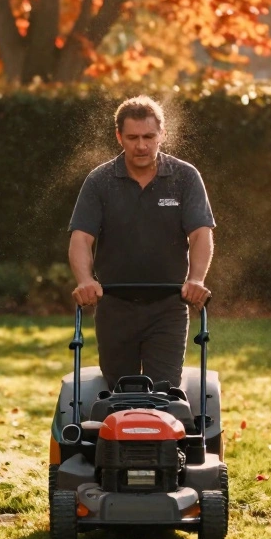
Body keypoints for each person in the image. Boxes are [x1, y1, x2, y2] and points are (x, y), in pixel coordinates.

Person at [67, 95, 215, 390]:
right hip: (115, 307)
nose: (141, 145)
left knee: (163, 392)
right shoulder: (101, 181)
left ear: (162, 135)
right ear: (119, 136)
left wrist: (196, 279)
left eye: (149, 136)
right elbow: (81, 238)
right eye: (132, 137)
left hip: (168, 307)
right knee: (120, 391)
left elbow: (200, 233)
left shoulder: (185, 177)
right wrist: (85, 280)